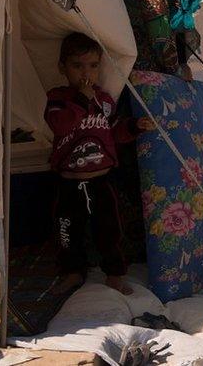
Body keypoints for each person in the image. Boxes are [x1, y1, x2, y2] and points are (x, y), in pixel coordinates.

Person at [45, 33, 156, 295]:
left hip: (101, 178)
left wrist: (133, 127)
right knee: (67, 229)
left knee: (109, 229)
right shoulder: (58, 99)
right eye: (77, 66)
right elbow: (59, 125)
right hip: (69, 181)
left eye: (93, 66)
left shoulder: (105, 101)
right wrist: (82, 100)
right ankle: (72, 272)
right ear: (63, 67)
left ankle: (115, 274)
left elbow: (113, 130)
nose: (86, 73)